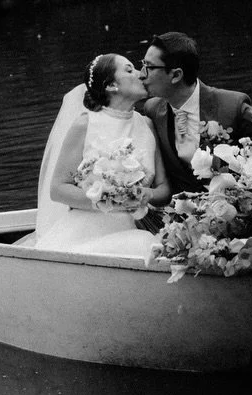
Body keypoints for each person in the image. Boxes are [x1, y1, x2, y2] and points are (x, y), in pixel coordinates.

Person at [33, 53, 171, 255]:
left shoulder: (146, 124)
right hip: (88, 231)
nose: (141, 74)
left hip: (137, 225)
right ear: (111, 85)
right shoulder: (86, 124)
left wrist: (147, 194)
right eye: (129, 70)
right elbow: (57, 189)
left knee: (148, 245)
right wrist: (108, 200)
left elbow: (164, 187)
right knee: (144, 246)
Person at [139, 32, 252, 199]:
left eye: (150, 67)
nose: (141, 74)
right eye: (143, 64)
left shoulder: (234, 105)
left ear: (176, 75)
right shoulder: (152, 110)